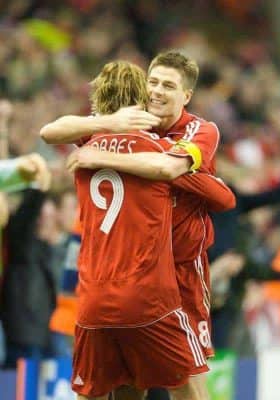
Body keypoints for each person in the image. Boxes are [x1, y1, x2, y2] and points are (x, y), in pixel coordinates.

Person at [42, 51, 235, 398]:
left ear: (186, 96)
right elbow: (51, 131)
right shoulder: (123, 126)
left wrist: (101, 155)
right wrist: (107, 123)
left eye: (169, 86)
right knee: (131, 378)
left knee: (188, 380)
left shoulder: (199, 131)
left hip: (180, 269)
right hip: (138, 272)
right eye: (154, 82)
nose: (158, 91)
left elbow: (212, 191)